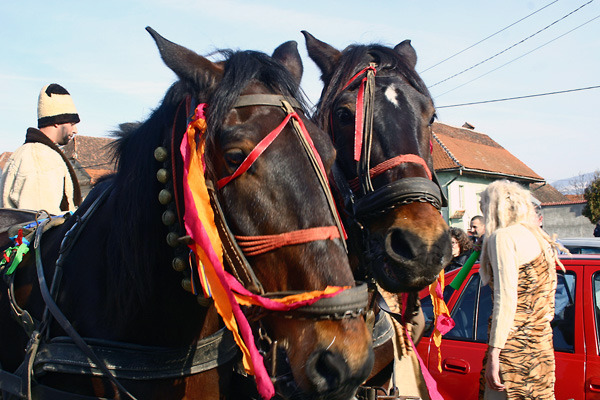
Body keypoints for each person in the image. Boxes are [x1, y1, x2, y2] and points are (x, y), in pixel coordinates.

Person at [478, 180, 563, 400]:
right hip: (541, 347)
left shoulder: (503, 237)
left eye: (483, 204)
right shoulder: (538, 236)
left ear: (494, 207)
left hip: (514, 351)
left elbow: (505, 301)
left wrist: (494, 353)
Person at [0, 84, 82, 214]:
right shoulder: (40, 157)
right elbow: (41, 222)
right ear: (57, 121)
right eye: (71, 124)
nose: (75, 130)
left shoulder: (27, 151)